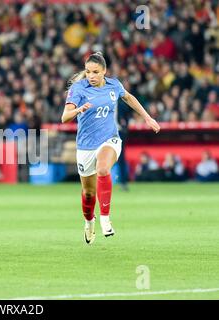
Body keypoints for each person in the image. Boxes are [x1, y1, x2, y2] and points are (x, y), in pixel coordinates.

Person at [61, 52, 160, 245]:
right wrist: (79, 110)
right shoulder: (78, 88)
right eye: (88, 71)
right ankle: (89, 222)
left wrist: (147, 117)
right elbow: (64, 117)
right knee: (88, 193)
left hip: (110, 139)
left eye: (95, 72)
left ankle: (105, 217)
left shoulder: (114, 85)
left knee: (104, 169)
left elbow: (129, 98)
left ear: (104, 71)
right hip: (85, 146)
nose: (91, 75)